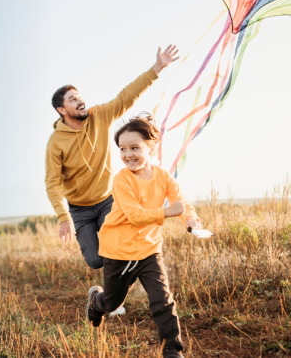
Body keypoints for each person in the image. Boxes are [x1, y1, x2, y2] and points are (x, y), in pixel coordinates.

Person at [45, 45, 179, 269]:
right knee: (96, 260)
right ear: (62, 110)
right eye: (72, 99)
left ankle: (113, 299)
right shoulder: (56, 141)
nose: (80, 101)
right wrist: (62, 216)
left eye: (79, 96)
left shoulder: (99, 116)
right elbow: (52, 183)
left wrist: (157, 68)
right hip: (80, 209)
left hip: (108, 200)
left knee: (118, 250)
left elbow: (126, 97)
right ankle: (102, 295)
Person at [86, 115, 200, 358]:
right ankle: (97, 302)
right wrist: (169, 212)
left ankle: (171, 349)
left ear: (151, 147)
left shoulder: (162, 176)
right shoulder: (122, 180)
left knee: (163, 299)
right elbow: (136, 215)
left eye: (135, 148)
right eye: (123, 149)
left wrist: (190, 219)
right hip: (118, 251)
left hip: (149, 250)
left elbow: (182, 201)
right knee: (113, 303)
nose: (128, 154)